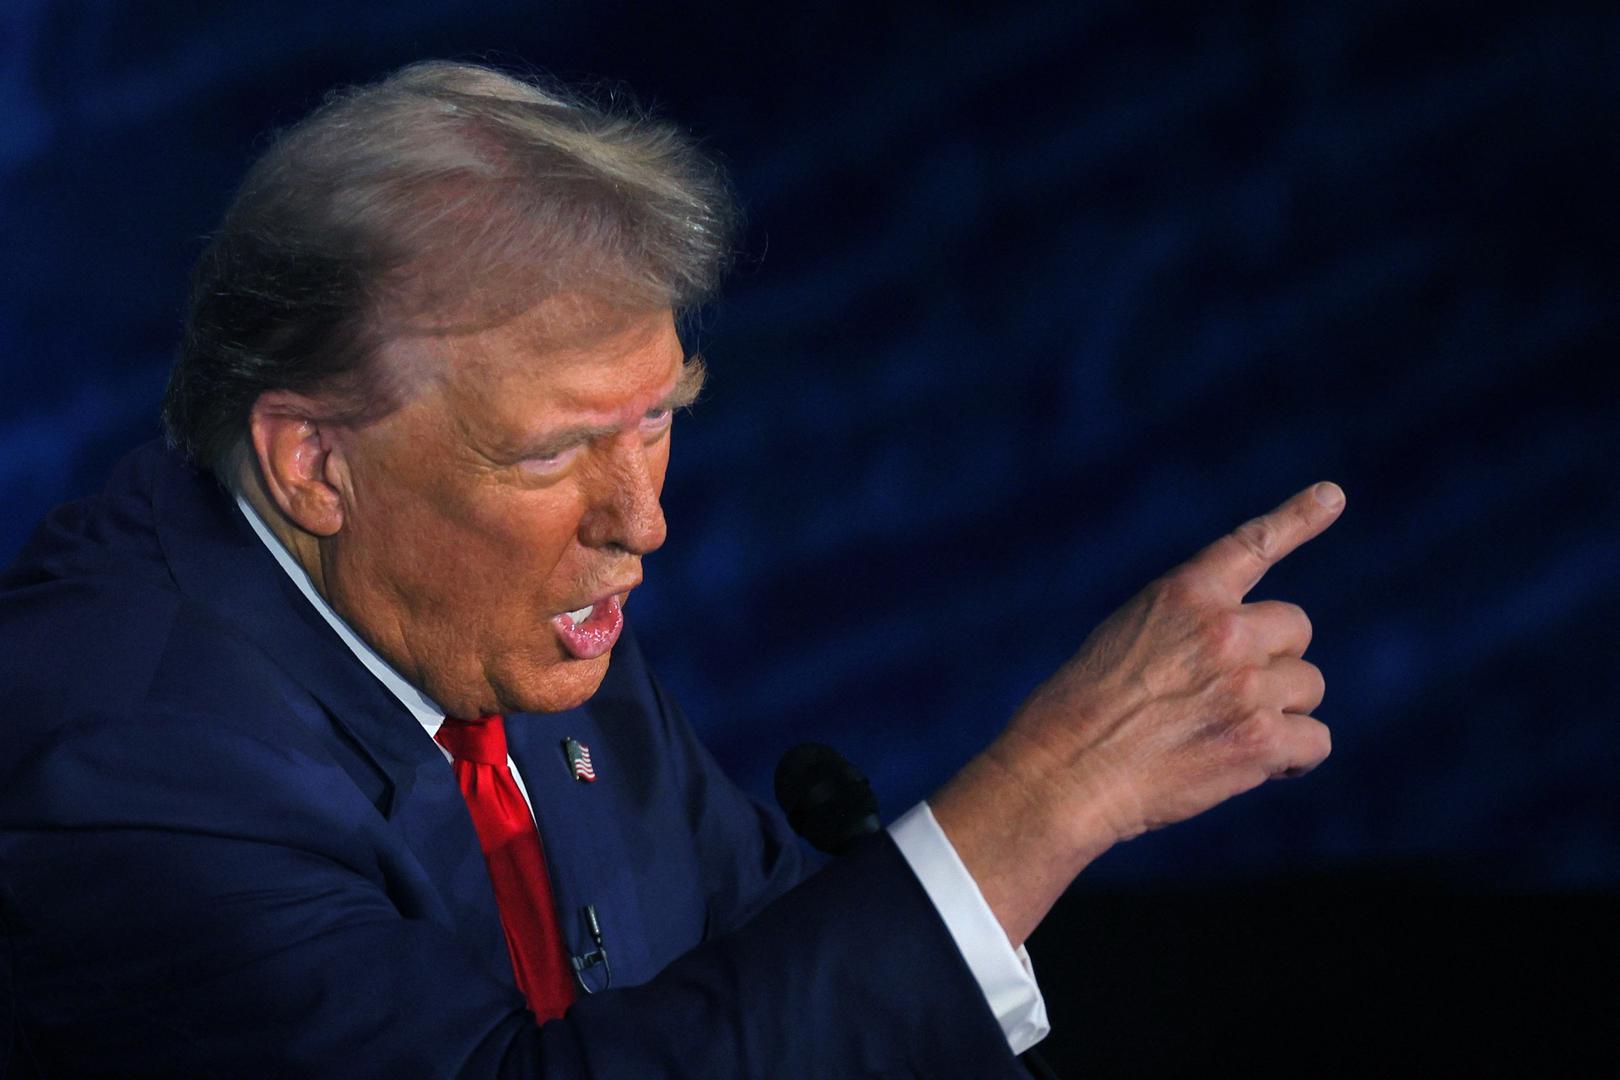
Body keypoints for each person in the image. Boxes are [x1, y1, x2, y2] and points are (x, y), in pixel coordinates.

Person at [0, 61, 1341, 1078]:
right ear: (313, 466)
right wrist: (1054, 787)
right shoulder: (125, 758)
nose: (639, 521)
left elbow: (760, 963)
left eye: (658, 421)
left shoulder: (512, 624)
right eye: (559, 449)